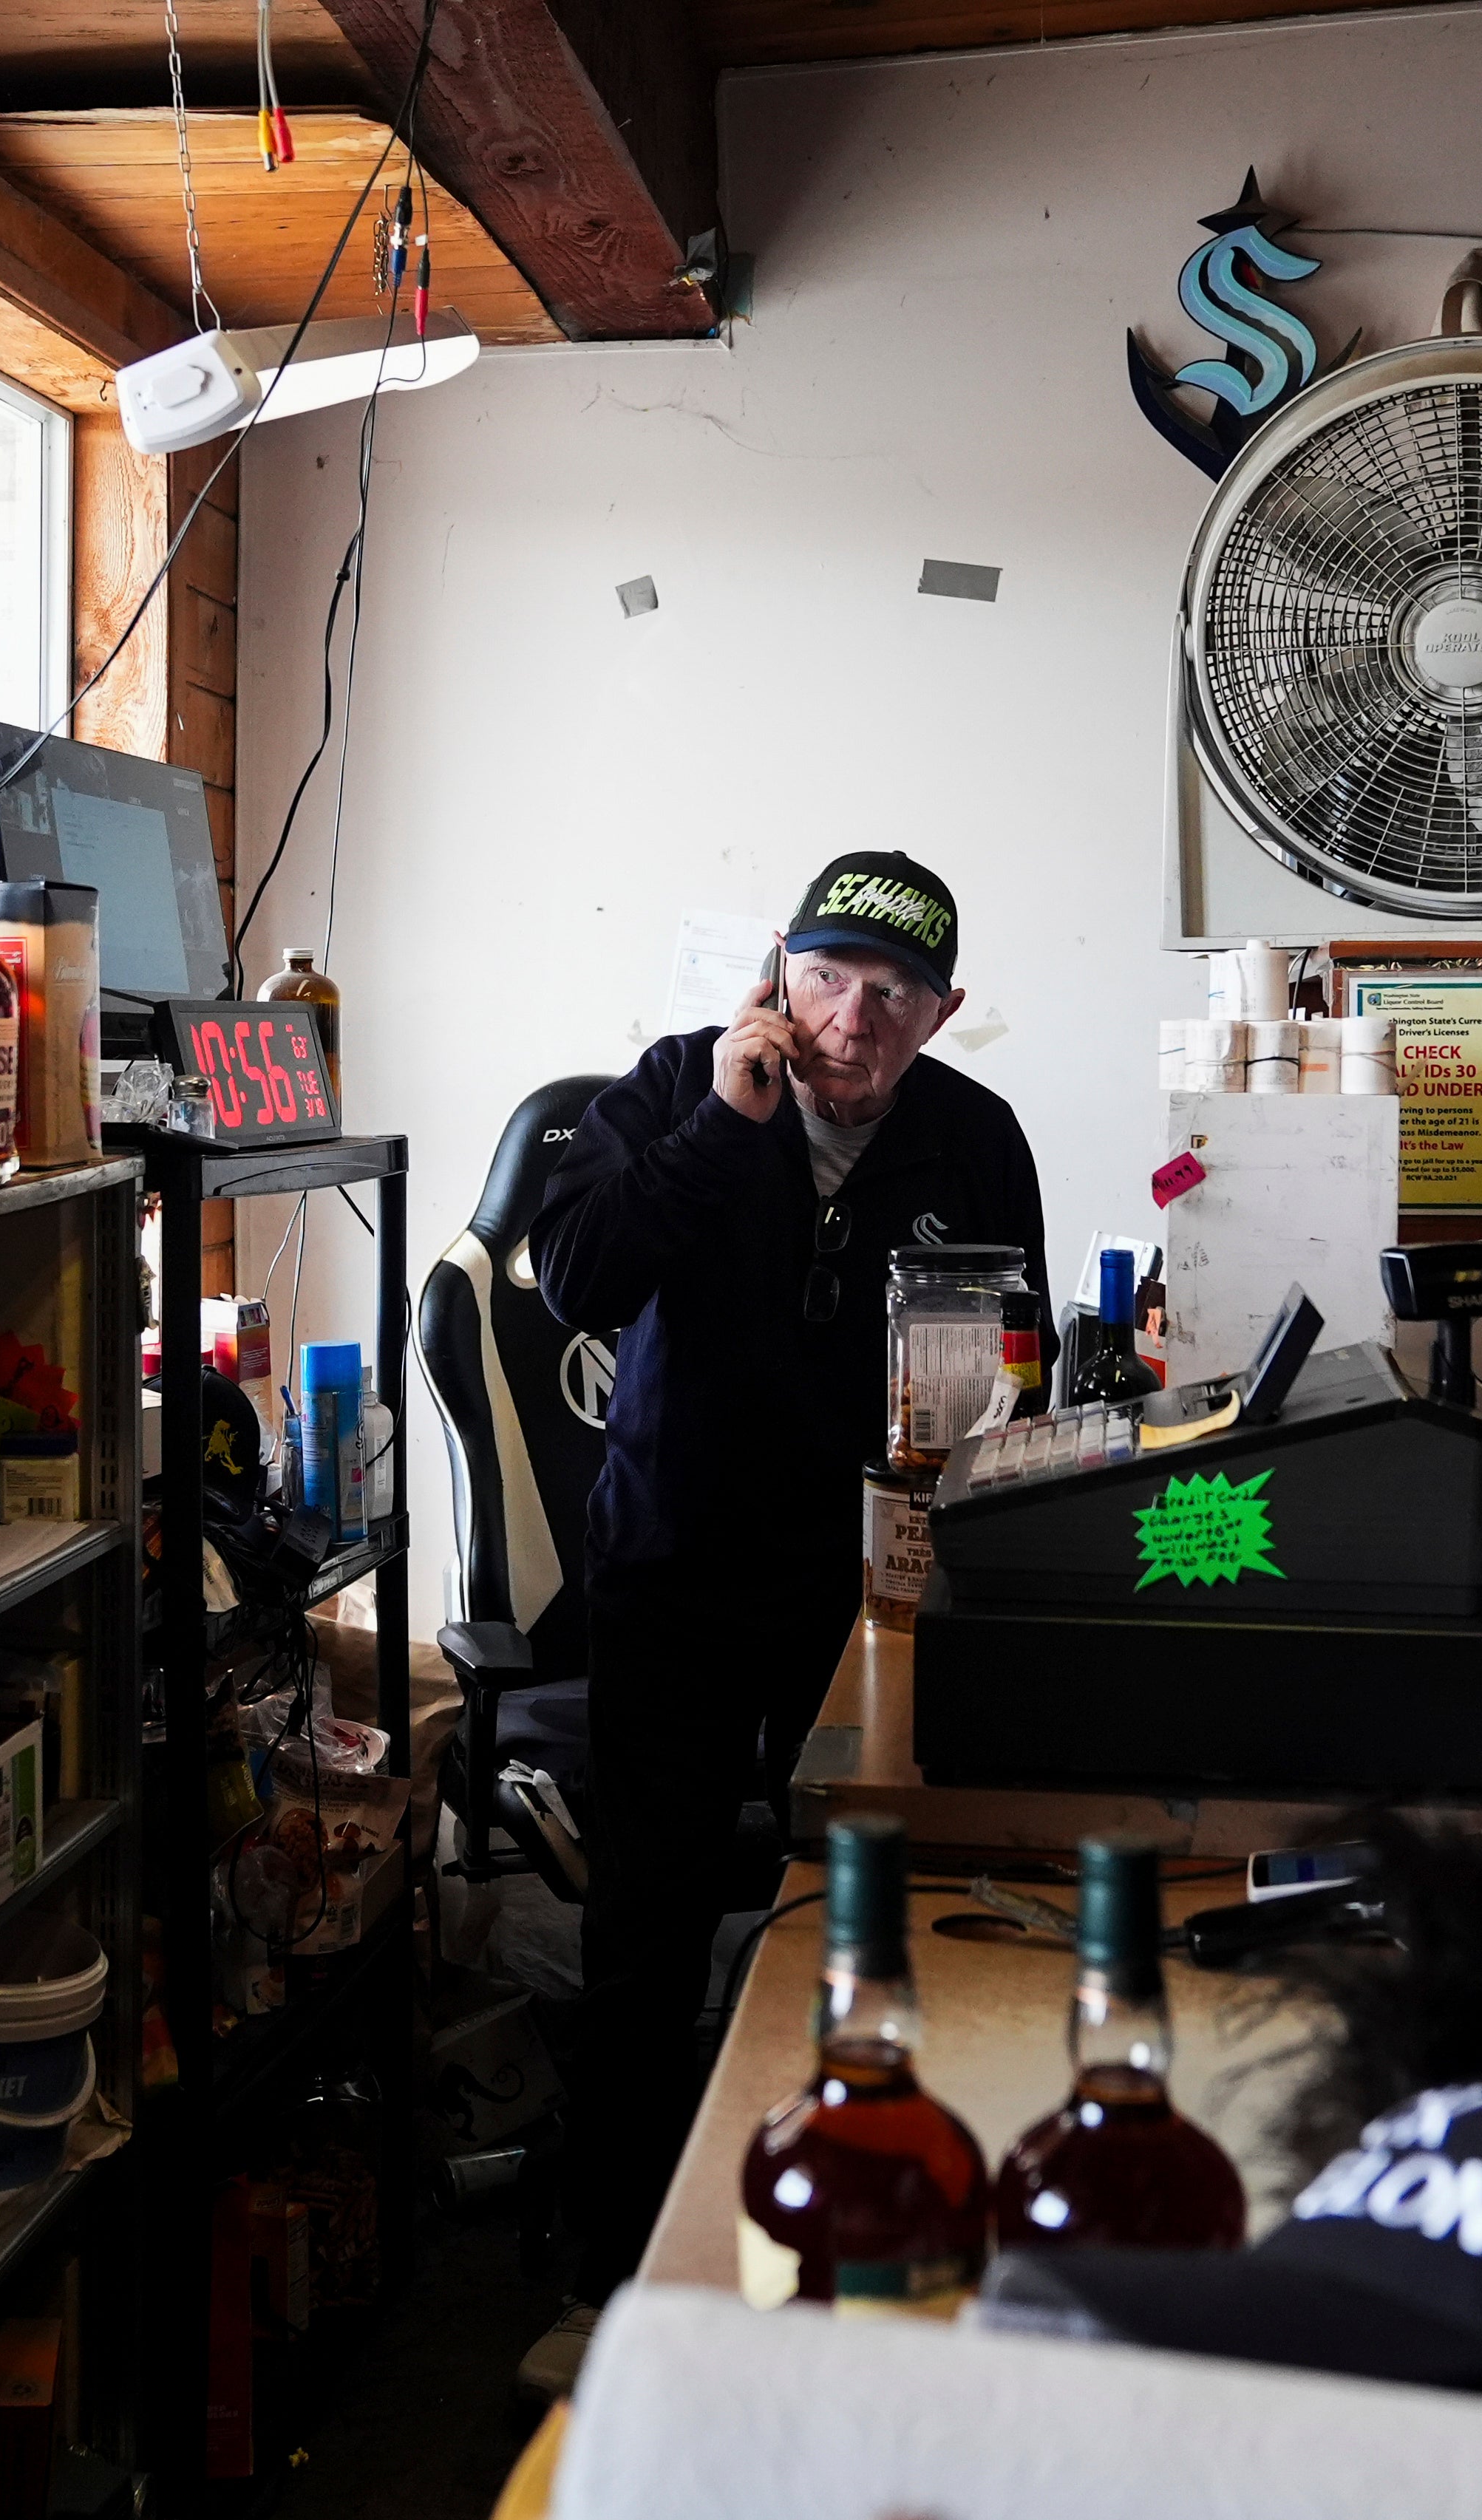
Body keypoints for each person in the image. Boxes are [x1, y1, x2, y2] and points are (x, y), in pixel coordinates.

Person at [528, 848, 1046, 2315]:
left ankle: (852, 2227)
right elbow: (575, 1274)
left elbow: (1011, 1367)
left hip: (865, 1593)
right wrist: (719, 1124)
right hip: (676, 1573)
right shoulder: (677, 1086)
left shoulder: (975, 1138)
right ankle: (610, 2264)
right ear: (774, 968)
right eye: (826, 977)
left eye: (893, 995)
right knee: (645, 1927)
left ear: (939, 1015)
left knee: (868, 1903)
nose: (852, 1017)